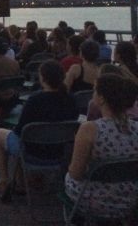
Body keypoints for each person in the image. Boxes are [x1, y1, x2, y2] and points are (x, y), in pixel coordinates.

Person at [0, 60, 78, 200]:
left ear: (43, 78)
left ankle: (4, 181)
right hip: (59, 153)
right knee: (22, 137)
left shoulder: (35, 99)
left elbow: (20, 132)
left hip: (31, 153)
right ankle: (21, 182)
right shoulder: (71, 99)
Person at [65, 74, 138, 220]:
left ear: (102, 98)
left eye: (94, 90)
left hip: (94, 201)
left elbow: (76, 174)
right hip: (130, 201)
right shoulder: (136, 128)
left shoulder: (90, 129)